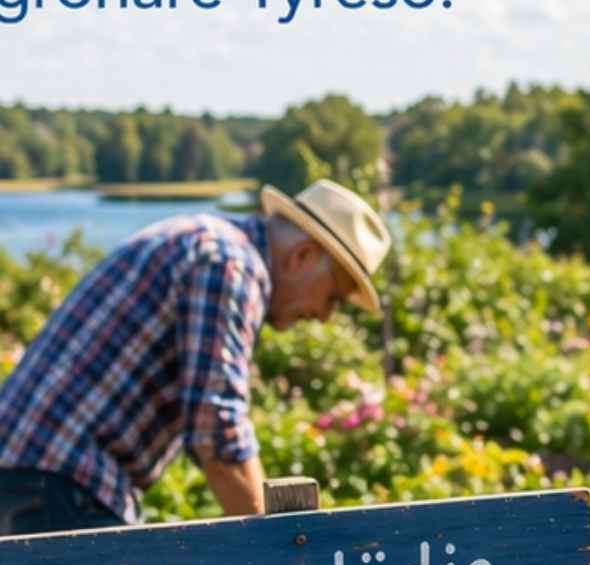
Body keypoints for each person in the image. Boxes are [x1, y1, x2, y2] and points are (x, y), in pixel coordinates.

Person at [0, 178, 391, 535]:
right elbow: (218, 434)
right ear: (302, 257)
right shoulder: (232, 265)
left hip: (31, 473)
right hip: (55, 480)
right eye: (334, 297)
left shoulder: (212, 243)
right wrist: (283, 555)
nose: (325, 316)